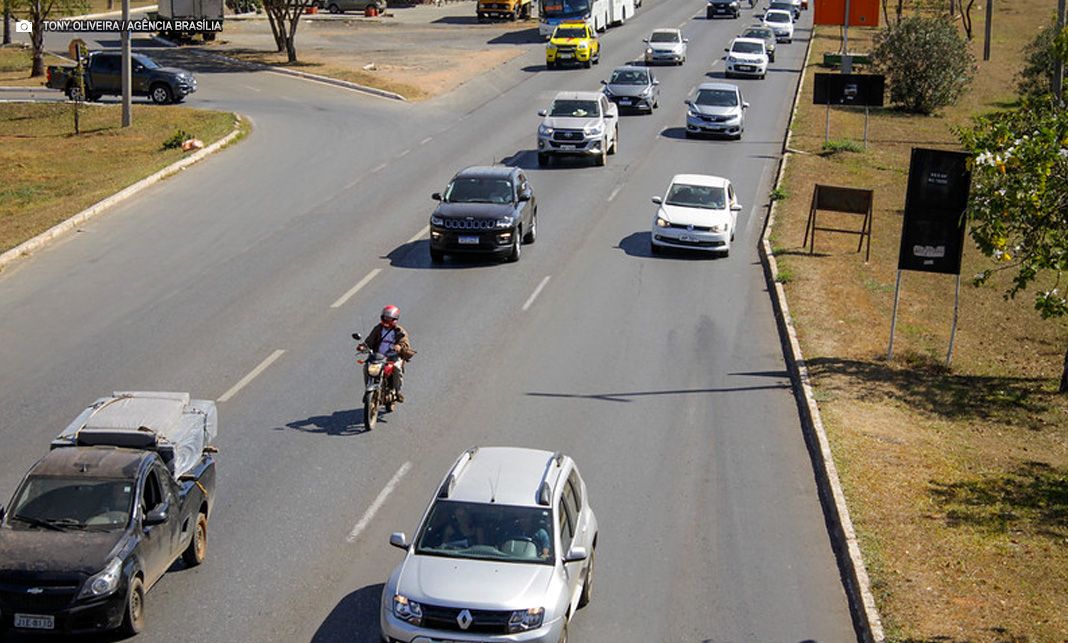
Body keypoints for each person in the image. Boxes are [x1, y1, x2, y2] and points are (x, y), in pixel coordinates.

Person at [357, 305, 415, 403]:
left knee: (397, 368)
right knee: (366, 367)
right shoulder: (378, 328)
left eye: (389, 318)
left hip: (392, 358)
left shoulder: (399, 331)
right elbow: (370, 340)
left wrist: (399, 347)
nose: (386, 320)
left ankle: (397, 391)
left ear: (395, 319)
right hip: (377, 357)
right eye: (385, 317)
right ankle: (368, 387)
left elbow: (404, 343)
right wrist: (363, 346)